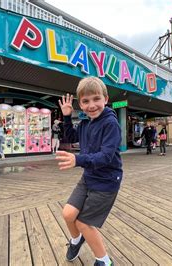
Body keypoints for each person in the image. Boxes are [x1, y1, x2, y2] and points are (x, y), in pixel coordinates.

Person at [55, 77, 121, 266]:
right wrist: (67, 116)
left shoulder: (110, 124)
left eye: (96, 99)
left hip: (107, 181)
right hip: (89, 177)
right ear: (80, 104)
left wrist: (78, 159)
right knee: (68, 215)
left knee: (84, 223)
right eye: (85, 101)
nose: (91, 105)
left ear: (105, 99)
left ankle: (104, 261)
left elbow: (105, 157)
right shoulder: (86, 122)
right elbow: (70, 136)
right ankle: (76, 241)